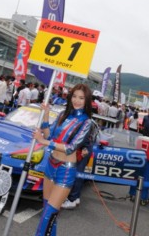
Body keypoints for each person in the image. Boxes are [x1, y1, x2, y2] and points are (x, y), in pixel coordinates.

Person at [33, 83, 93, 235]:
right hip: (50, 164)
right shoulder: (62, 115)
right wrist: (46, 114)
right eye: (74, 96)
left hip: (65, 170)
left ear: (87, 101)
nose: (77, 100)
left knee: (48, 215)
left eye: (81, 98)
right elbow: (49, 136)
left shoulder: (86, 122)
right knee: (48, 212)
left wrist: (43, 141)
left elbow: (71, 147)